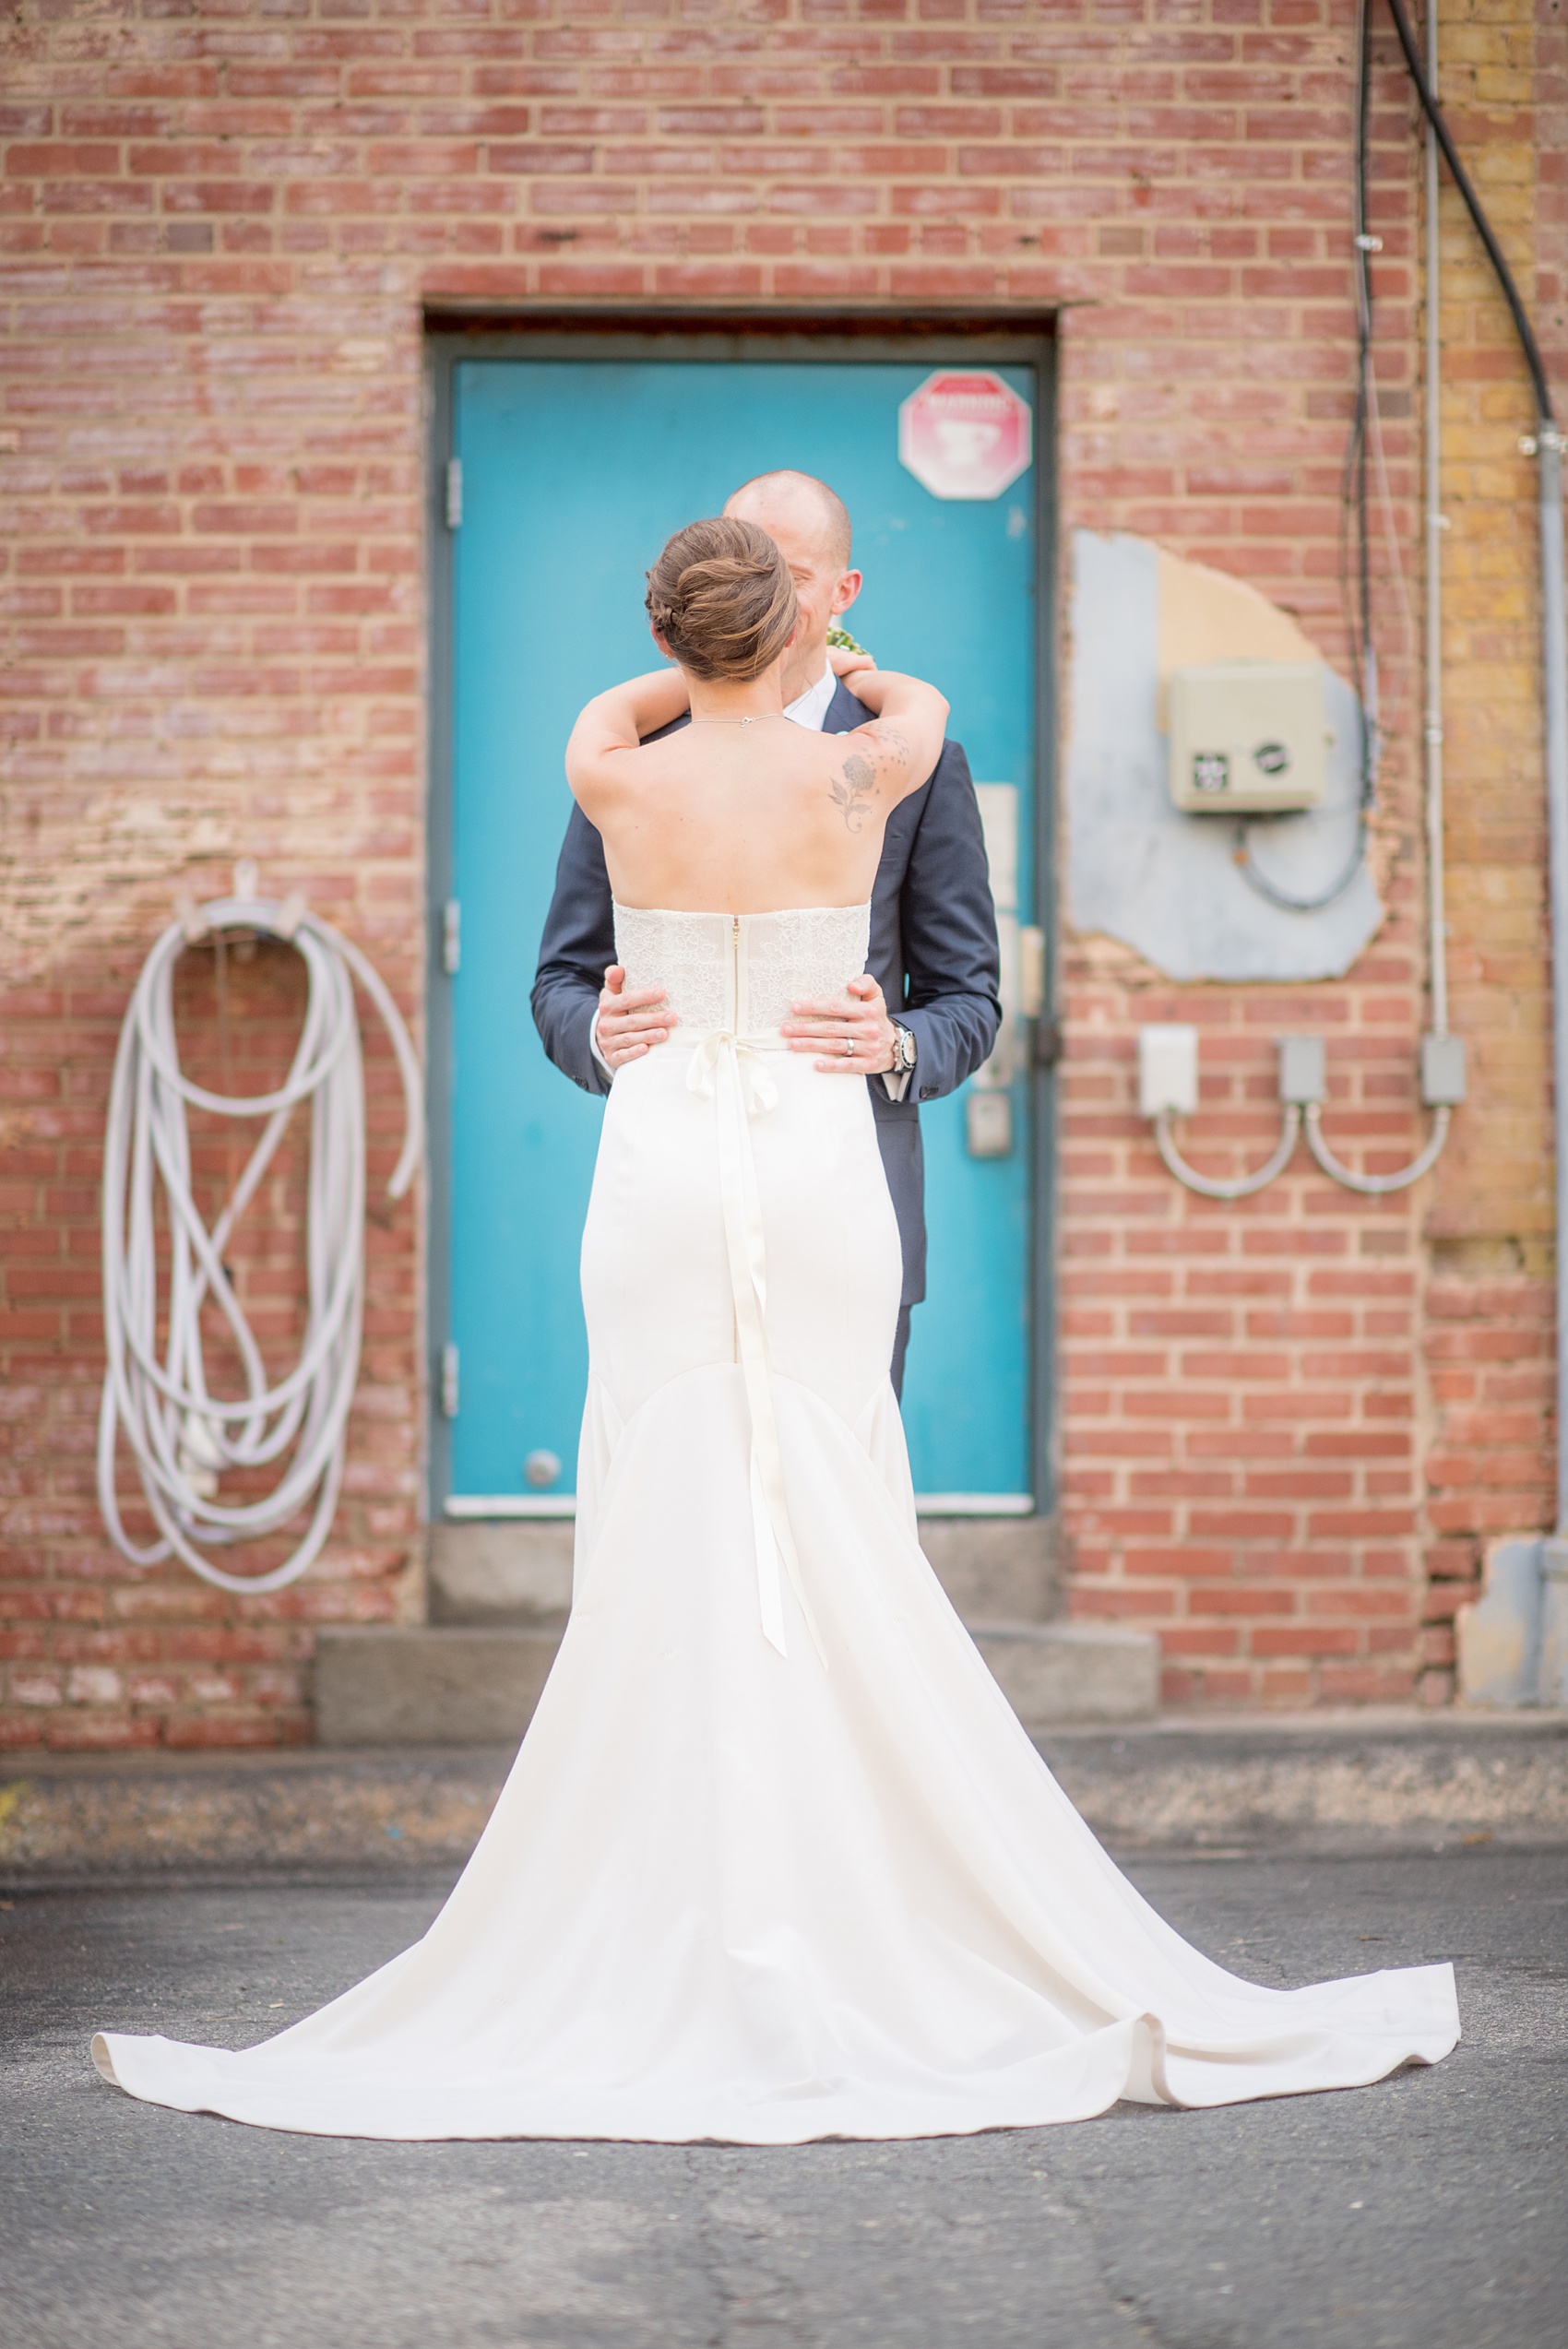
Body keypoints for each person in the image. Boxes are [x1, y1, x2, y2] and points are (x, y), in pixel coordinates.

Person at [90, 518, 1457, 2143]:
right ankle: (809, 1890)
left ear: (680, 634)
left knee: (719, 1503)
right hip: (807, 1179)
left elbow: (949, 982)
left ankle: (773, 1880)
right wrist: (805, 672)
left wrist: (698, 676)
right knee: (801, 1503)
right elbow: (612, 936)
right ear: (801, 616)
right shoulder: (876, 763)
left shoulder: (620, 764)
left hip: (667, 1177)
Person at [531, 469, 1002, 1394]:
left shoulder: (914, 768)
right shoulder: (650, 766)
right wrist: (594, 1029)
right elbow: (560, 978)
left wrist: (894, 1043)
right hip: (671, 1197)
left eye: (783, 573)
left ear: (839, 594)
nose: (762, 598)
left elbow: (969, 1001)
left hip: (846, 1191)